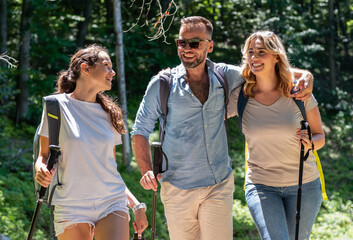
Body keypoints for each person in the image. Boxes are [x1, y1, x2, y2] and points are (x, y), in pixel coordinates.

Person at [131, 16, 313, 240]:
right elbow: (140, 129)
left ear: (210, 45)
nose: (187, 49)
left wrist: (305, 75)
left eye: (195, 43)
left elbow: (264, 69)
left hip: (218, 185)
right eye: (182, 43)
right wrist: (146, 170)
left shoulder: (225, 75)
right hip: (177, 187)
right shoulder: (162, 84)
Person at [34, 44, 148, 240]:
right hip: (71, 205)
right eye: (106, 65)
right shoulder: (55, 106)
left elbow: (109, 169)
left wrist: (136, 205)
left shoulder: (110, 113)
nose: (113, 72)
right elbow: (43, 156)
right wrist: (40, 170)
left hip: (111, 202)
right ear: (85, 68)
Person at [228, 31, 325, 240]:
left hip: (304, 186)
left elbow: (320, 136)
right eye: (250, 52)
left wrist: (310, 144)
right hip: (261, 185)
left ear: (276, 56)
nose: (254, 57)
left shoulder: (299, 93)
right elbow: (206, 117)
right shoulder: (239, 96)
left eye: (261, 52)